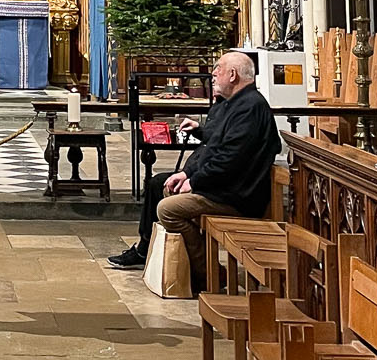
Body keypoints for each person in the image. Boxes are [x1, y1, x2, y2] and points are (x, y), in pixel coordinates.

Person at [107, 51, 281, 283]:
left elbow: (230, 158)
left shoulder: (249, 107)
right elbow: (217, 144)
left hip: (236, 195)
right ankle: (169, 261)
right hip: (225, 186)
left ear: (232, 74)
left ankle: (208, 276)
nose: (213, 74)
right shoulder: (235, 104)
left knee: (168, 209)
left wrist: (195, 182)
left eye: (218, 69)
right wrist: (188, 173)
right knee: (165, 186)